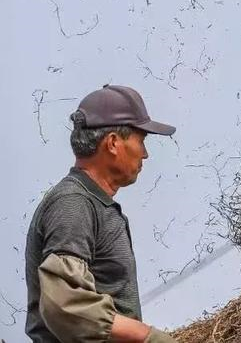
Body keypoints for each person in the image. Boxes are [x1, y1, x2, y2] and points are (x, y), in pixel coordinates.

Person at [25, 85, 178, 342]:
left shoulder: (92, 202)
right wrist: (147, 337)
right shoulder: (73, 204)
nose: (146, 153)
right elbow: (63, 303)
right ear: (113, 143)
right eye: (141, 141)